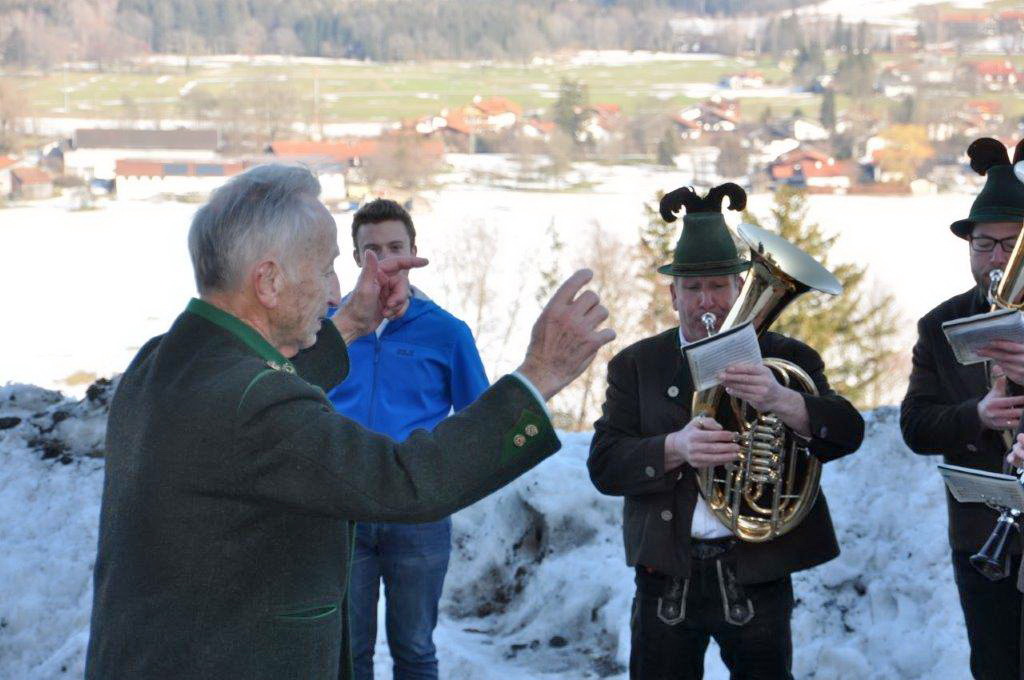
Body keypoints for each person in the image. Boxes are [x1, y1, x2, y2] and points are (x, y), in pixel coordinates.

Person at [84, 164, 614, 680]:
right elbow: (405, 481)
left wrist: (354, 322)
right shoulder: (255, 405)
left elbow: (259, 382)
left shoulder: (164, 361)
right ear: (268, 281)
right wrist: (539, 375)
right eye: (325, 268)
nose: (334, 290)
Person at [588, 183, 864, 679]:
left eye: (717, 286)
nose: (706, 301)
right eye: (692, 289)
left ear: (740, 288)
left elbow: (847, 434)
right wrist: (674, 447)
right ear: (673, 295)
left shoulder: (788, 358)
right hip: (666, 574)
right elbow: (605, 466)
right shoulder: (636, 365)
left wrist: (782, 400)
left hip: (757, 571)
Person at [328, 199, 489, 680]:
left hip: (418, 515)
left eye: (396, 247)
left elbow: (480, 419)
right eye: (372, 251)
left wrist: (442, 484)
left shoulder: (447, 332)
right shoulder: (329, 331)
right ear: (356, 259)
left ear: (414, 251)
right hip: (343, 512)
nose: (385, 260)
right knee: (349, 651)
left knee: (415, 648)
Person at [902, 137, 1024, 680]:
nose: (996, 258)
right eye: (983, 244)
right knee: (994, 666)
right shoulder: (941, 324)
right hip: (983, 536)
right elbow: (915, 427)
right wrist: (977, 415)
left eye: (1010, 244)